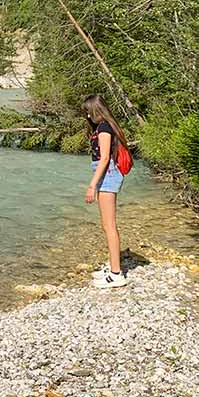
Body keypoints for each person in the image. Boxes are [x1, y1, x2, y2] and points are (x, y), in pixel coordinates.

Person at [82, 93, 128, 288]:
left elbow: (105, 158)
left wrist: (92, 185)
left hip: (107, 175)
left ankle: (116, 274)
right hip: (106, 175)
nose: (86, 116)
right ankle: (113, 266)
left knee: (109, 225)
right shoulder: (104, 127)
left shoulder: (104, 129)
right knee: (106, 225)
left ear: (94, 110)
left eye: (87, 112)